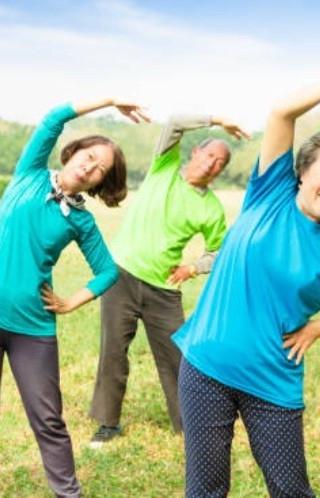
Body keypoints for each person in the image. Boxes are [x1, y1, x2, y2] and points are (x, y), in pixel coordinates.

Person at [171, 70, 320, 497]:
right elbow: (282, 110)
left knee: (291, 490)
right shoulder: (270, 192)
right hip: (207, 366)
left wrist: (318, 327)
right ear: (302, 171)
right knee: (205, 491)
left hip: (273, 380)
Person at [0, 97, 149, 497]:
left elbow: (108, 270)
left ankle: (68, 493)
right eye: (89, 156)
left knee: (49, 421)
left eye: (101, 169)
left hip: (33, 330)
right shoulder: (29, 174)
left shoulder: (81, 220)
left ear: (99, 183)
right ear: (74, 152)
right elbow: (53, 118)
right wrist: (110, 100)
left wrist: (73, 300)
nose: (90, 167)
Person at [88, 113, 250, 446]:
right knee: (114, 351)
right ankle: (107, 423)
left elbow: (219, 252)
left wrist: (192, 268)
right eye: (209, 156)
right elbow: (175, 122)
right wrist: (218, 121)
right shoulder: (163, 168)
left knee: (178, 360)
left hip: (164, 289)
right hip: (121, 272)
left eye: (220, 163)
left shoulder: (212, 209)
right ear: (195, 153)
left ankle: (187, 424)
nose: (212, 165)